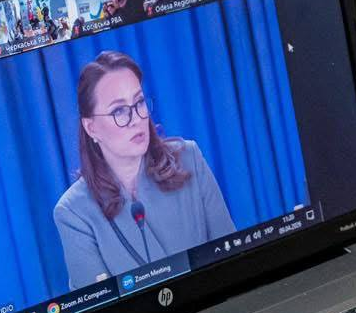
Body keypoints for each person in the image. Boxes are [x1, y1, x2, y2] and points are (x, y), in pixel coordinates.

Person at [54, 51, 235, 290]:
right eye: (119, 111)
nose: (135, 119)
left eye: (139, 102)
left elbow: (231, 254)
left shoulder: (188, 158)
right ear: (91, 128)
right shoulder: (73, 212)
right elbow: (99, 305)